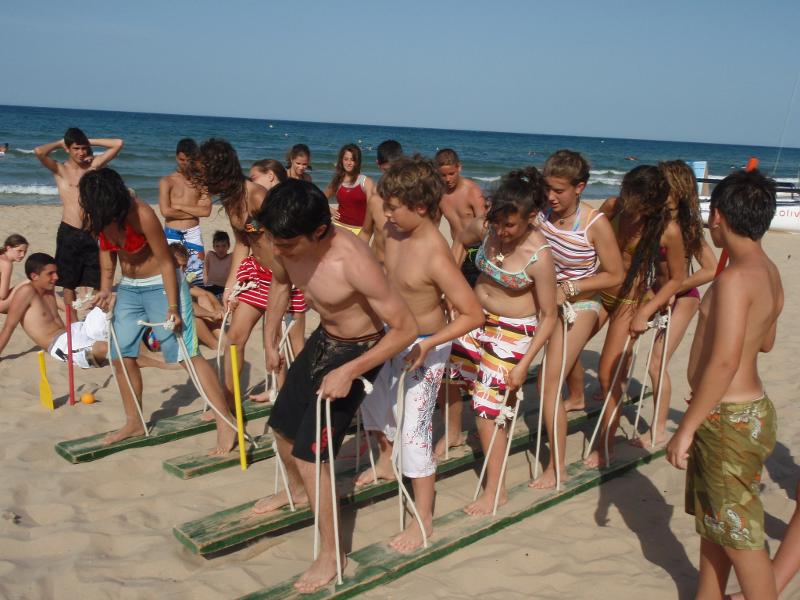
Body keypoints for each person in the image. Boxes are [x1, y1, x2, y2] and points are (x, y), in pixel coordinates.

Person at [249, 178, 418, 593]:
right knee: (283, 430)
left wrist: (350, 371)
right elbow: (281, 285)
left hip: (359, 351)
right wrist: (270, 339)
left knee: (313, 456)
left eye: (288, 244)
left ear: (320, 232)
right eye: (275, 242)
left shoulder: (353, 262)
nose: (279, 251)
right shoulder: (285, 240)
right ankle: (301, 494)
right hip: (323, 340)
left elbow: (402, 329)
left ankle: (332, 554)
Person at [355, 155, 484, 551]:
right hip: (391, 334)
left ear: (421, 207)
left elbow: (472, 314)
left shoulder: (434, 253)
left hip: (427, 344)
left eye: (393, 207)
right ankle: (383, 460)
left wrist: (429, 344)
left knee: (416, 428)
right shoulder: (394, 231)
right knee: (372, 405)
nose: (386, 214)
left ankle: (423, 516)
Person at [666, 169, 782, 599]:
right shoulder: (767, 270)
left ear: (717, 218)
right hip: (750, 411)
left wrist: (687, 425)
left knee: (740, 534)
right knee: (717, 522)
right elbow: (765, 342)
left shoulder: (734, 279)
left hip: (728, 417)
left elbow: (725, 361)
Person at [79, 167, 237, 453]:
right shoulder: (100, 218)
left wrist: (174, 306)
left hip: (161, 286)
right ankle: (135, 421)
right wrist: (104, 289)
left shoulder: (140, 214)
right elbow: (107, 258)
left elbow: (166, 262)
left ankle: (226, 422)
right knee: (120, 354)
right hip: (129, 287)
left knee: (188, 354)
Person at [449, 167, 558, 516]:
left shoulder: (539, 255)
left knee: (485, 408)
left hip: (513, 331)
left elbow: (550, 316)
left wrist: (525, 364)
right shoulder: (485, 228)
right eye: (497, 223)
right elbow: (459, 239)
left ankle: (496, 490)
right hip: (474, 318)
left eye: (510, 225)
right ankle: (449, 437)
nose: (501, 231)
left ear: (531, 218)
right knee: (451, 380)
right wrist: (452, 286)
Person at [529, 150, 624, 489]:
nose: (551, 196)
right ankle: (577, 399)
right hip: (545, 300)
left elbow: (615, 274)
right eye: (547, 188)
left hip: (581, 305)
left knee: (546, 384)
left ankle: (558, 468)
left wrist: (572, 287)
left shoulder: (594, 224)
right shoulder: (542, 211)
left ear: (580, 187)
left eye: (559, 190)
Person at [191, 140, 307, 410]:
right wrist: (231, 286)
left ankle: (301, 399)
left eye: (205, 173)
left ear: (219, 170)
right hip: (257, 274)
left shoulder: (256, 196)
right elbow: (243, 243)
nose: (202, 182)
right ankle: (230, 404)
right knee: (234, 339)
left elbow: (288, 236)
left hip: (285, 276)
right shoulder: (232, 201)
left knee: (291, 344)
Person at [584, 165, 687, 468]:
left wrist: (646, 309)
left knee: (608, 374)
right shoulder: (612, 207)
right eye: (626, 194)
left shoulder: (668, 230)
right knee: (567, 349)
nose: (627, 204)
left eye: (636, 201)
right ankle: (575, 399)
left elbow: (677, 279)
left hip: (630, 300)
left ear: (652, 202)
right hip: (601, 290)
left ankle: (606, 445)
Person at [630, 160, 716, 448]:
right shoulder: (653, 219)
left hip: (683, 298)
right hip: (654, 294)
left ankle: (658, 429)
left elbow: (710, 269)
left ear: (676, 188)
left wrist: (673, 290)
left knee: (657, 363)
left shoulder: (687, 226)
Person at [0, 253, 174, 372]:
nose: (56, 277)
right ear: (34, 276)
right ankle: (161, 365)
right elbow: (8, 327)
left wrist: (85, 305)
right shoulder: (25, 292)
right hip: (61, 345)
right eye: (50, 274)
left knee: (115, 299)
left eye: (56, 272)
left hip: (77, 329)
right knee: (106, 348)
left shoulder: (47, 288)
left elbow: (61, 308)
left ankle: (151, 351)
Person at [34, 128, 124, 319]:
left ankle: (98, 319)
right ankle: (72, 321)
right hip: (69, 230)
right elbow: (39, 152)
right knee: (68, 281)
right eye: (76, 148)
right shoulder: (60, 169)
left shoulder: (93, 167)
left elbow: (118, 144)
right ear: (68, 149)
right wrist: (61, 142)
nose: (81, 152)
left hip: (93, 230)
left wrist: (88, 140)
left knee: (99, 277)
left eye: (84, 148)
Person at [433, 147, 488, 457]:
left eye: (452, 173)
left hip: (477, 260)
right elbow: (435, 226)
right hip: (455, 258)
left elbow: (486, 230)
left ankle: (482, 415)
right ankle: (452, 429)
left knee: (476, 335)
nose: (449, 180)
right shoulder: (441, 194)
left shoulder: (472, 192)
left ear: (459, 168)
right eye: (443, 175)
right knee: (455, 337)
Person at [250, 158, 306, 366]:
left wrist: (290, 287)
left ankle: (305, 393)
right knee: (277, 340)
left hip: (292, 277)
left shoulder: (286, 202)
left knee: (295, 341)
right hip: (278, 277)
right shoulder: (271, 204)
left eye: (254, 178)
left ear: (270, 176)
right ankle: (281, 390)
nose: (252, 183)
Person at [159, 138, 210, 285]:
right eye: (182, 160)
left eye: (189, 160)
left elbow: (206, 211)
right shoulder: (166, 181)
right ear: (176, 157)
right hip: (171, 233)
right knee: (170, 273)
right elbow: (166, 212)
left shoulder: (200, 182)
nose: (185, 164)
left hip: (193, 233)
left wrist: (179, 206)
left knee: (196, 275)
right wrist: (195, 212)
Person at [170, 243, 224, 348]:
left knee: (203, 298)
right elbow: (189, 307)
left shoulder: (179, 278)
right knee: (192, 317)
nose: (181, 270)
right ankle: (215, 345)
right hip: (160, 327)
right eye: (178, 265)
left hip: (177, 319)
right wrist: (211, 314)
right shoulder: (165, 280)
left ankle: (222, 338)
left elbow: (205, 293)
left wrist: (218, 307)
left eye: (184, 266)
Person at [359, 140, 404, 263]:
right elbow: (366, 232)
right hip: (376, 266)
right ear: (378, 164)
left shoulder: (410, 199)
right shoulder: (375, 199)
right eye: (387, 170)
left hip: (399, 270)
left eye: (395, 170)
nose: (391, 175)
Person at [325, 143, 376, 236]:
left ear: (357, 162)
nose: (349, 163)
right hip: (338, 227)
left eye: (352, 160)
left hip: (359, 230)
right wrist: (330, 210)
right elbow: (321, 197)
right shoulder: (337, 181)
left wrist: (366, 231)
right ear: (341, 160)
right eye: (346, 159)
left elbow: (372, 208)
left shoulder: (366, 181)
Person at [0, 234, 29, 313]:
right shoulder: (6, 264)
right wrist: (17, 288)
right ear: (8, 248)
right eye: (19, 251)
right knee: (31, 281)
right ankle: (65, 307)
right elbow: (2, 295)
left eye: (25, 252)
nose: (22, 255)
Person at [202, 230, 232, 297]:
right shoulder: (210, 255)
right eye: (217, 246)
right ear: (213, 247)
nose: (220, 249)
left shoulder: (231, 257)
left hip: (224, 287)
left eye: (224, 246)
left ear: (229, 246)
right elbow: (205, 272)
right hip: (210, 286)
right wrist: (205, 285)